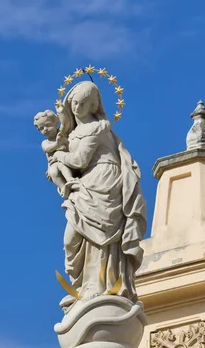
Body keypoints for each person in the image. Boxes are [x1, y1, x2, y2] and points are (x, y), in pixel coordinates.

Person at [49, 81, 147, 306]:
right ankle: (84, 285)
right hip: (86, 183)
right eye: (74, 102)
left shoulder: (98, 128)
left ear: (93, 105)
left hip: (103, 179)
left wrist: (59, 157)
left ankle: (101, 286)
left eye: (82, 103)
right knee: (72, 239)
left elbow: (80, 160)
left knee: (103, 237)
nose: (76, 107)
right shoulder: (74, 132)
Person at [33, 110, 74, 196]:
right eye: (41, 128)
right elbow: (48, 149)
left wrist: (61, 111)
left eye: (48, 125)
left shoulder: (61, 133)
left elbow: (65, 124)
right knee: (53, 173)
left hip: (65, 160)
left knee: (62, 165)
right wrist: (57, 144)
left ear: (55, 122)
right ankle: (63, 188)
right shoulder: (45, 142)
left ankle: (70, 180)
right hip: (53, 164)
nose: (45, 129)